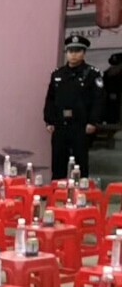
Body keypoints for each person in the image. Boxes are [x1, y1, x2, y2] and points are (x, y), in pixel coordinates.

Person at [44, 34, 104, 179]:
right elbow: (50, 99)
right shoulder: (57, 74)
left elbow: (99, 99)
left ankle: (80, 190)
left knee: (80, 164)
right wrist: (49, 120)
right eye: (70, 51)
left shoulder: (92, 74)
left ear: (84, 53)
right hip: (60, 125)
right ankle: (57, 190)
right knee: (58, 162)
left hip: (81, 125)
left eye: (77, 51)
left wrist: (93, 121)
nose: (73, 55)